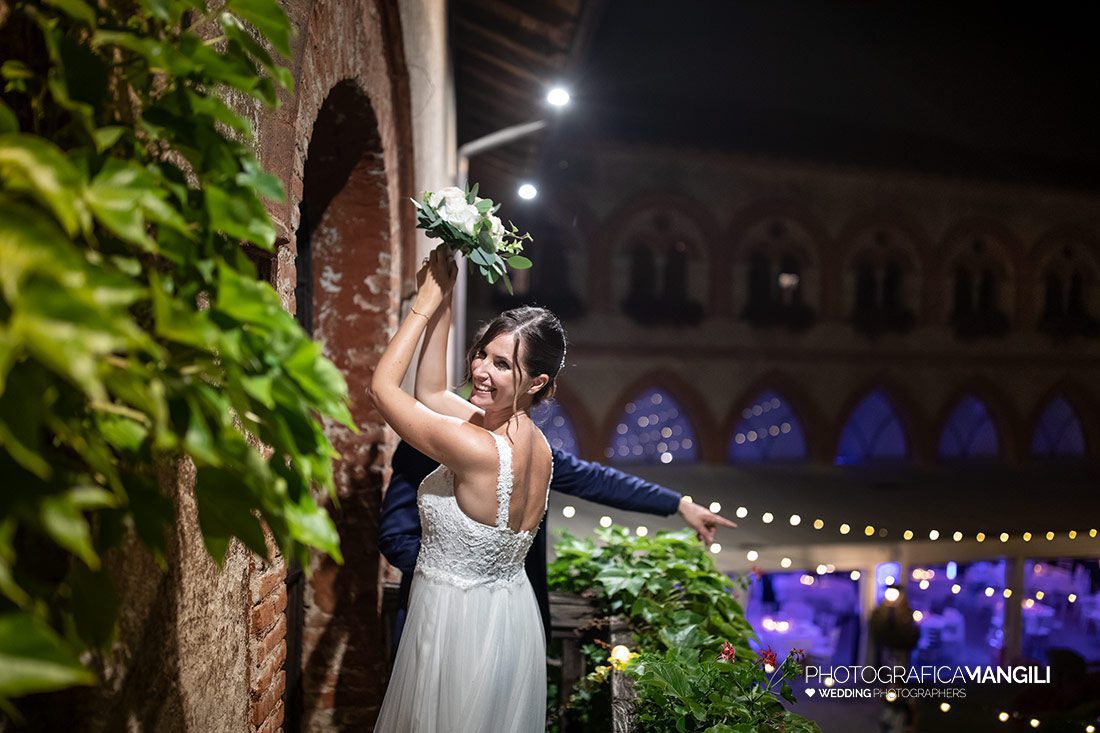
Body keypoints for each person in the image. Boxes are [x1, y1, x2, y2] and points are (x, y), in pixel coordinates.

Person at [371, 248, 564, 731]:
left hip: (455, 624)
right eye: (483, 354)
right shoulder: (533, 445)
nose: (480, 370)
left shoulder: (476, 448)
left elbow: (383, 389)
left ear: (537, 383)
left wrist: (421, 303)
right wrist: (445, 296)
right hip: (507, 618)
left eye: (502, 365)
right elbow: (433, 392)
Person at [381, 440, 735, 652]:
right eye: (485, 359)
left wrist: (679, 505)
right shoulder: (424, 439)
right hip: (435, 619)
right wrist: (460, 573)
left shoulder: (533, 449)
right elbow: (396, 537)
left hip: (509, 622)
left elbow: (597, 480)